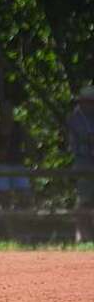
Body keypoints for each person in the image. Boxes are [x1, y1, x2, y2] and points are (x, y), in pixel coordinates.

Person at [67, 85, 94, 242]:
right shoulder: (76, 118)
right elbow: (88, 138)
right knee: (84, 199)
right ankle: (81, 233)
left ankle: (87, 234)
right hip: (84, 162)